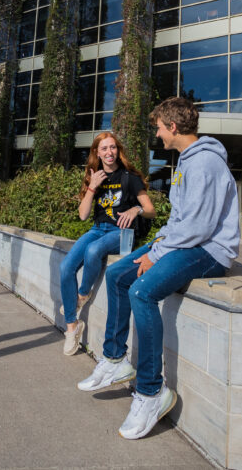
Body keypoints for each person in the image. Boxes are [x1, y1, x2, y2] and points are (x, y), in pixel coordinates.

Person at [76, 97, 239, 440]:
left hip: (209, 250)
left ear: (174, 127)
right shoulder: (185, 161)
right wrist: (160, 243)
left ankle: (151, 392)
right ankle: (116, 358)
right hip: (185, 241)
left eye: (160, 129)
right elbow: (181, 220)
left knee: (141, 290)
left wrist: (157, 253)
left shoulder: (205, 163)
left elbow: (199, 226)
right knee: (119, 274)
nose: (158, 135)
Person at [60, 132, 155, 356]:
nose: (109, 152)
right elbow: (83, 216)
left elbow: (151, 211)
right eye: (104, 149)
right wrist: (92, 186)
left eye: (112, 147)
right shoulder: (94, 176)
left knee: (93, 251)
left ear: (118, 150)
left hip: (121, 232)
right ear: (97, 152)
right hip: (97, 229)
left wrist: (136, 209)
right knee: (65, 268)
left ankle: (82, 295)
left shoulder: (130, 178)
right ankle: (72, 328)